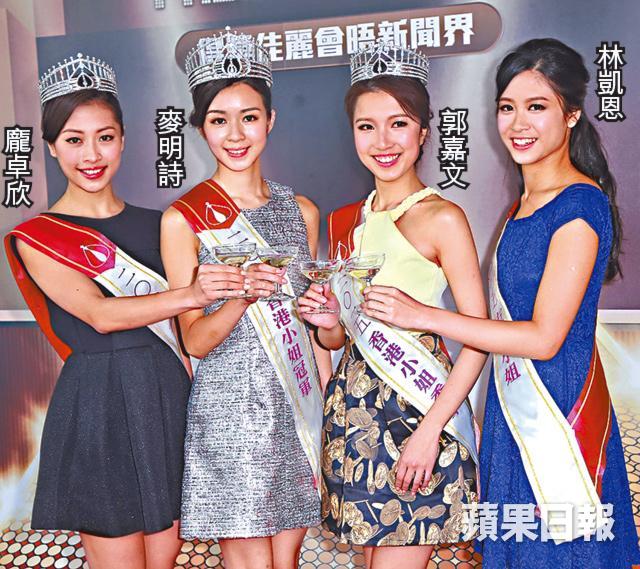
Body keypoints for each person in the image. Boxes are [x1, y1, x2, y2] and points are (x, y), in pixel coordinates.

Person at [360, 38, 639, 567]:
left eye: (537, 107)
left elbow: (544, 338)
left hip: (559, 420)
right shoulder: (522, 205)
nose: (518, 124)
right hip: (511, 416)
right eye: (508, 108)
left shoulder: (580, 207)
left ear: (571, 115)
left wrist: (421, 315)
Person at [4, 54, 244, 569]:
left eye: (105, 137)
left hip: (167, 393)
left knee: (164, 558)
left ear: (124, 140)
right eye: (74, 140)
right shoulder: (38, 237)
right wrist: (192, 294)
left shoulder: (164, 224)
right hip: (99, 403)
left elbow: (194, 332)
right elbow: (100, 314)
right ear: (51, 146)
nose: (91, 154)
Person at [298, 42, 487, 569]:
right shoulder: (347, 222)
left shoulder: (442, 218)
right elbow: (338, 338)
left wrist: (429, 434)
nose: (383, 141)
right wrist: (327, 321)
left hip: (419, 411)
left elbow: (479, 338)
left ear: (423, 132)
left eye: (398, 124)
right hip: (355, 415)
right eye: (367, 126)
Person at [161, 30, 330, 569]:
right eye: (218, 120)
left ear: (271, 120)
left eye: (249, 117)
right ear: (200, 128)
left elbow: (316, 330)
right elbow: (195, 341)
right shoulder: (183, 219)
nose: (235, 135)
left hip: (294, 406)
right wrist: (239, 296)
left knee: (289, 559)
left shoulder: (302, 211)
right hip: (229, 413)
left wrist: (329, 328)